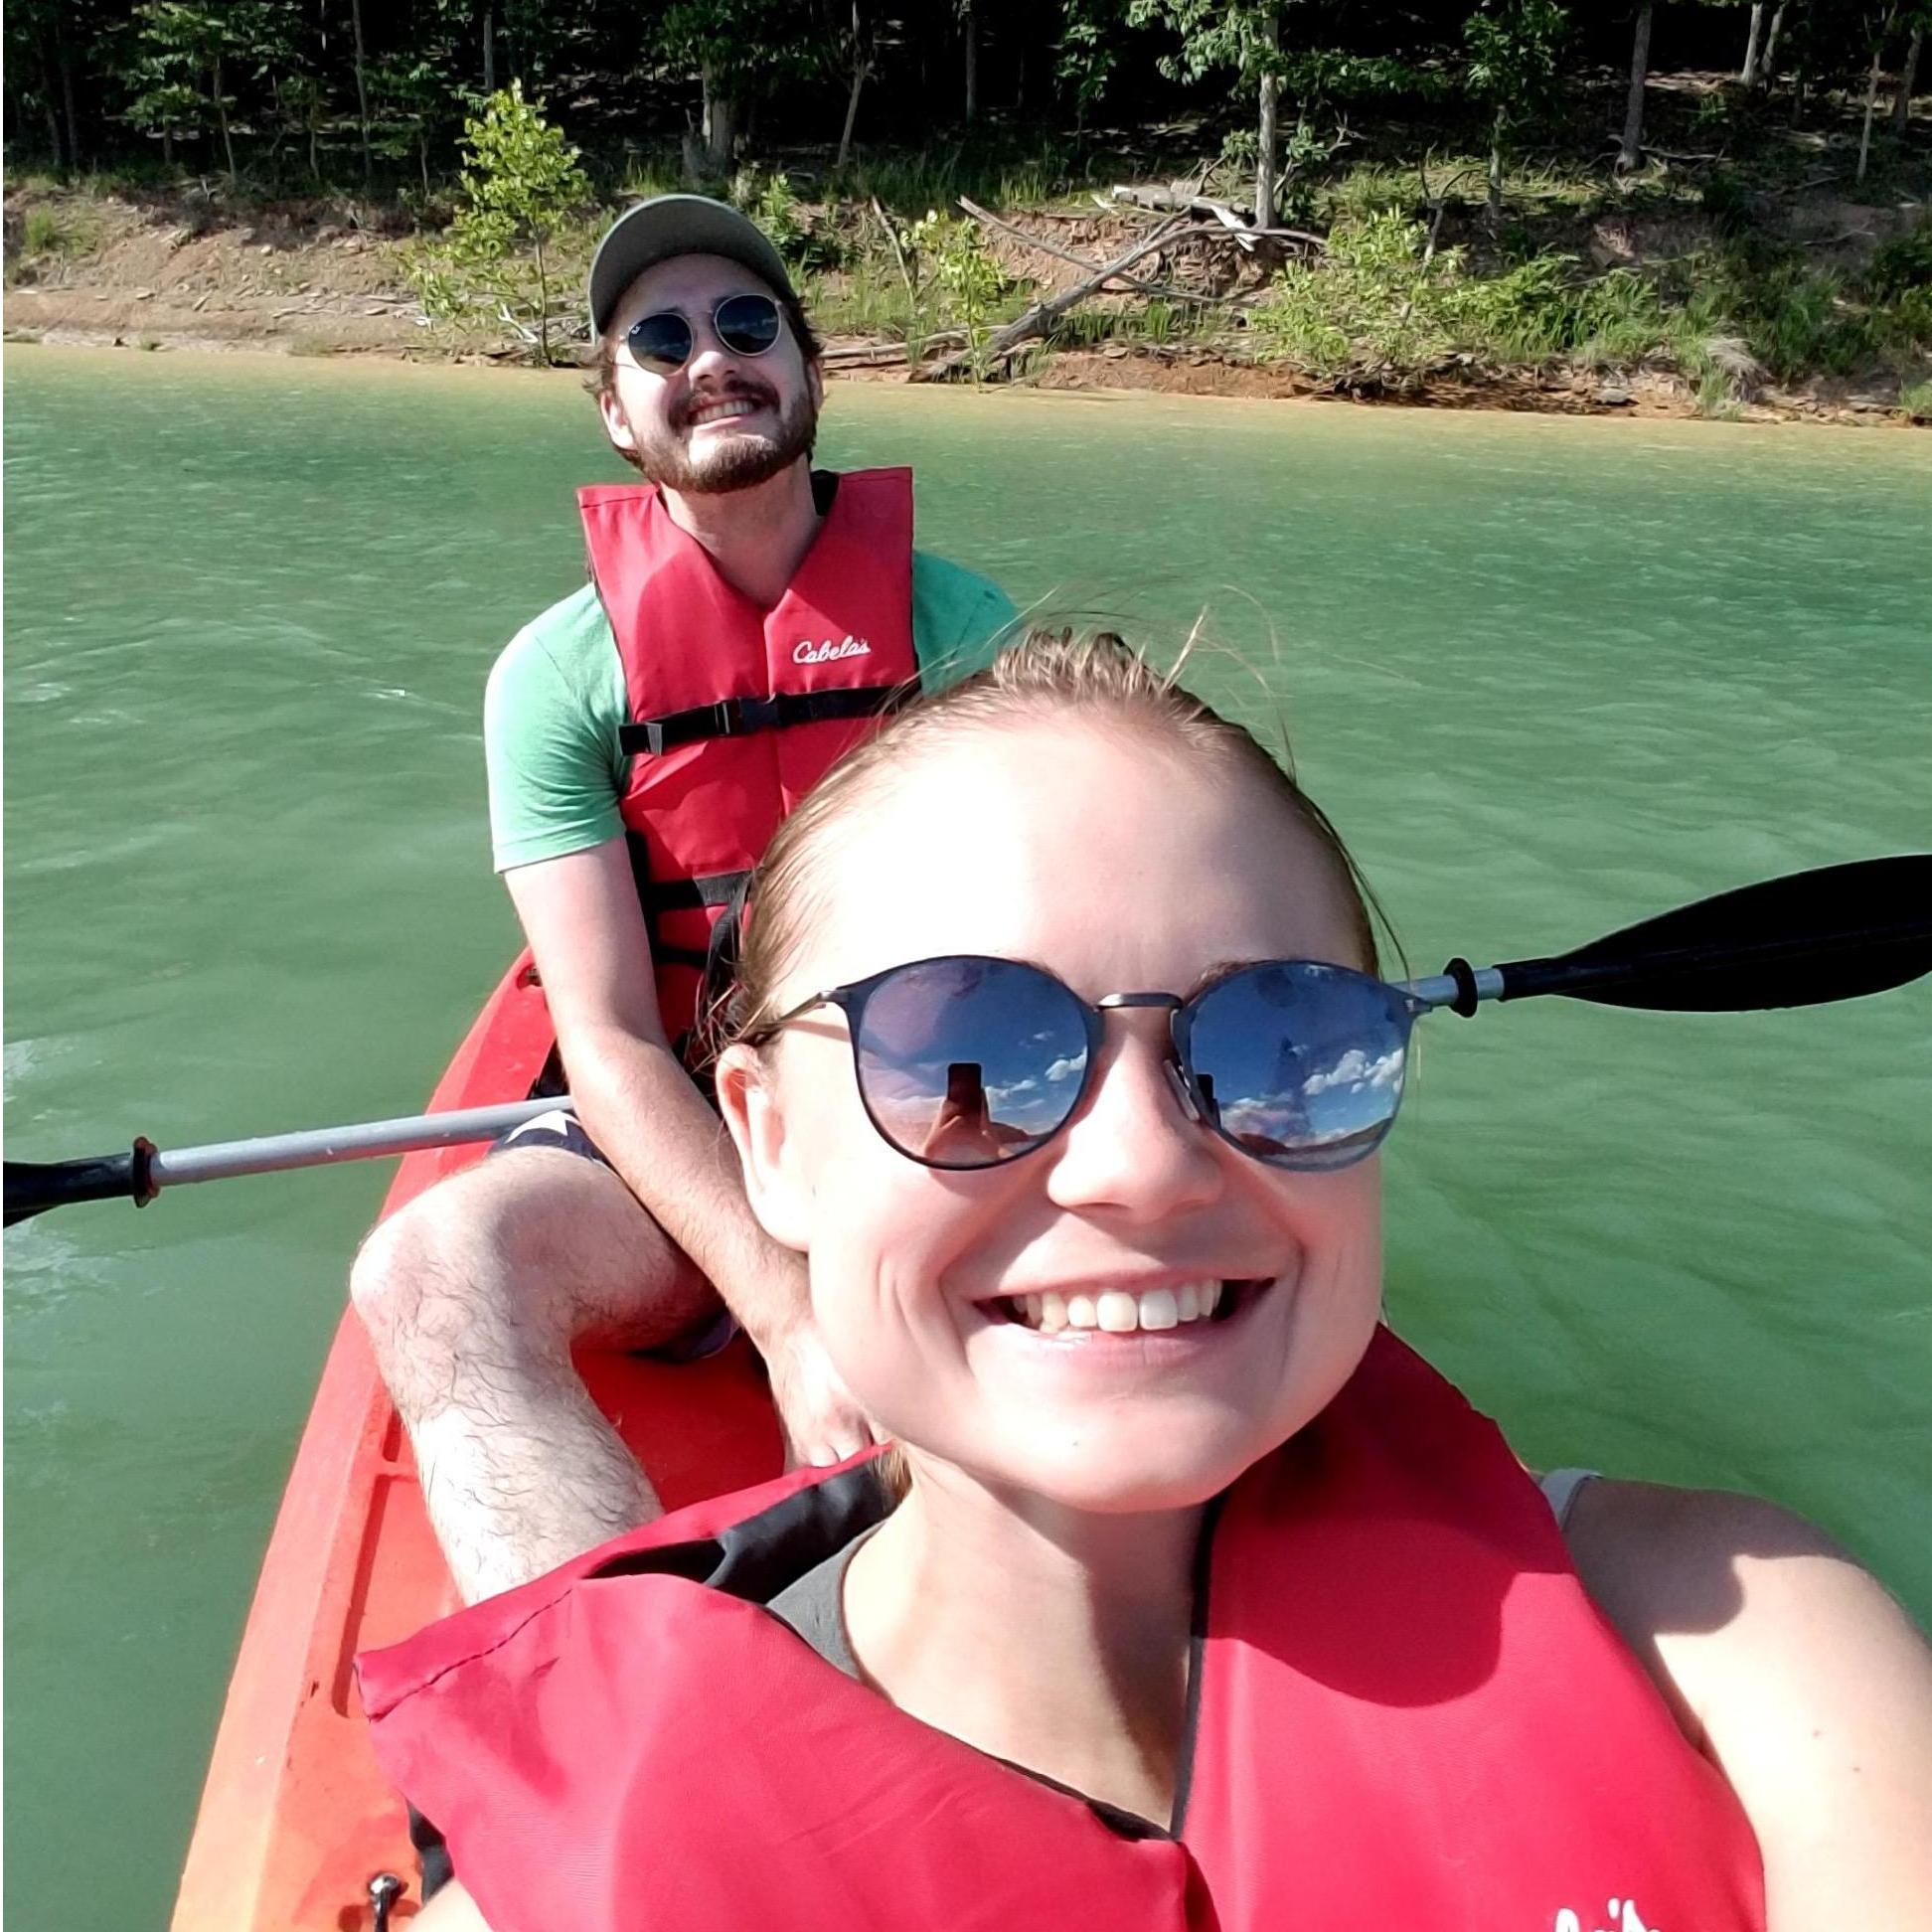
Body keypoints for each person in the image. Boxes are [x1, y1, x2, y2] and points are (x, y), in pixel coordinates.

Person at [363, 631, 1932, 1932]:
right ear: (768, 1144)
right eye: (965, 1052)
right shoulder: (550, 1905)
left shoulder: (1750, 1659)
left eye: (1278, 1044)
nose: (1145, 1165)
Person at [348, 194, 1017, 1604]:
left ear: (810, 371)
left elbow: (1024, 961)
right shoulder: (555, 678)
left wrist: (898, 1238)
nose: (708, 353)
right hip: (672, 1133)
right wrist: (786, 1313)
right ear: (615, 413)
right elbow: (601, 1035)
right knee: (428, 1275)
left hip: (909, 1106)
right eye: (659, 338)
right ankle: (601, 1717)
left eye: (745, 323)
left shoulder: (965, 634)